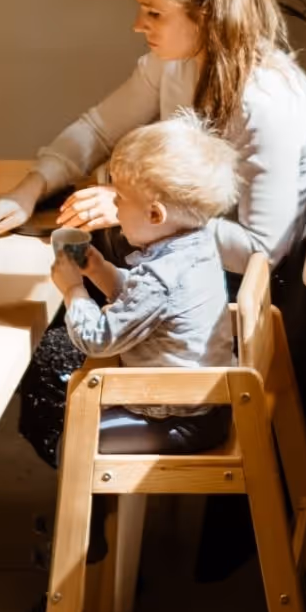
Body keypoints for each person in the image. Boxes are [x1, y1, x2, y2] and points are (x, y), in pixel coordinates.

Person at [0, 0, 306, 465]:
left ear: (208, 14)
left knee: (53, 362)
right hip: (184, 264)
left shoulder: (264, 104)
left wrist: (143, 209)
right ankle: (101, 519)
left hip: (235, 295)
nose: (138, 24)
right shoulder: (178, 65)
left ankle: (95, 514)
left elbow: (262, 249)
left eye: (153, 11)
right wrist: (29, 189)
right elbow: (99, 128)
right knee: (54, 306)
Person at [53, 113, 239, 455]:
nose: (116, 209)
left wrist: (73, 291)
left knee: (73, 442)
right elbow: (147, 303)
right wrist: (101, 271)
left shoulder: (160, 279)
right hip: (207, 404)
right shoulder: (196, 244)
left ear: (155, 215)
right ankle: (113, 507)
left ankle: (93, 506)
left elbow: (97, 340)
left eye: (119, 200)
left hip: (177, 419)